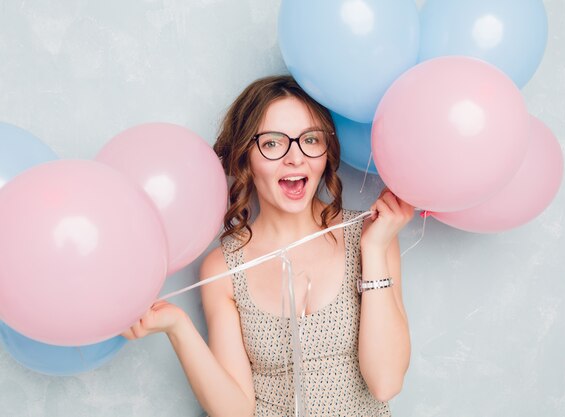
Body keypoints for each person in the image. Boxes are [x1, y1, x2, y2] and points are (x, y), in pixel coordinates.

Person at [123, 75, 414, 416]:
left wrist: (376, 250)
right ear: (245, 156)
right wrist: (178, 328)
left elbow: (386, 383)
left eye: (310, 139)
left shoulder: (370, 237)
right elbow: (235, 411)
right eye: (273, 143)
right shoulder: (224, 268)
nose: (295, 158)